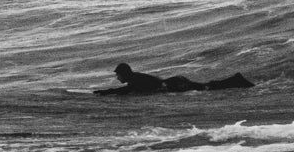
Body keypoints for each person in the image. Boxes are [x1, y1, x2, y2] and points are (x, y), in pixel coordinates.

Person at [94, 61, 255, 96]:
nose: (116, 77)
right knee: (206, 86)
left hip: (175, 83)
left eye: (117, 74)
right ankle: (235, 80)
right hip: (174, 82)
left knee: (207, 88)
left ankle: (236, 81)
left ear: (124, 73)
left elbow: (127, 90)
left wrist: (107, 92)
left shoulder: (134, 79)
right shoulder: (135, 78)